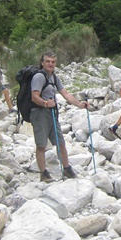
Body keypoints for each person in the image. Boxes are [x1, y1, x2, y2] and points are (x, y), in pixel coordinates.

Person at [30, 51, 88, 182]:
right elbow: (34, 96)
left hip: (52, 113)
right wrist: (45, 103)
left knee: (61, 143)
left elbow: (65, 94)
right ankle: (43, 173)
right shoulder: (39, 77)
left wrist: (79, 104)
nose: (50, 64)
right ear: (42, 63)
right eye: (48, 61)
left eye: (53, 62)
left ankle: (67, 168)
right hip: (39, 113)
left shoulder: (54, 77)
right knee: (41, 145)